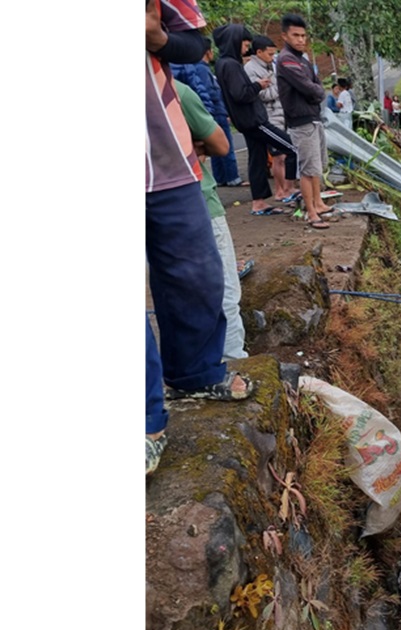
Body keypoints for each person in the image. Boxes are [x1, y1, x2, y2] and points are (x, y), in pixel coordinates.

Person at [146, 0, 253, 475]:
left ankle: (194, 372)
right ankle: (144, 422)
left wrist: (159, 40)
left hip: (167, 156)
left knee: (197, 275)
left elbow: (195, 42)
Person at [175, 80, 248, 361]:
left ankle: (194, 366)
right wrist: (194, 146)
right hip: (199, 201)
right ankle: (231, 361)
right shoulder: (175, 91)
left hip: (154, 211)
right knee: (223, 289)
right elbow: (220, 143)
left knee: (178, 294)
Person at [214, 24, 299, 217]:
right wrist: (258, 85)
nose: (246, 49)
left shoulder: (223, 64)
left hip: (245, 121)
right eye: (244, 45)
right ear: (235, 42)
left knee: (257, 160)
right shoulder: (231, 65)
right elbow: (240, 94)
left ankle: (258, 203)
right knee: (291, 147)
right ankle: (288, 191)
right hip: (255, 120)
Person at [277, 13, 333, 229]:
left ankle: (318, 203)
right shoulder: (286, 59)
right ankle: (311, 212)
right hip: (300, 120)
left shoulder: (302, 59)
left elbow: (317, 85)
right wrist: (316, 92)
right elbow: (310, 88)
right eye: (296, 35)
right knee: (308, 169)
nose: (301, 40)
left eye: (303, 36)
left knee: (317, 165)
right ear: (285, 36)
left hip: (312, 118)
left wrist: (316, 91)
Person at [172, 48, 243, 187]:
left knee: (212, 151)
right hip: (214, 113)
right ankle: (232, 177)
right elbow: (207, 93)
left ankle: (221, 178)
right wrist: (211, 113)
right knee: (223, 146)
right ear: (208, 52)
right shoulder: (199, 69)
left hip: (207, 113)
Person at [245, 35, 298, 203]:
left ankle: (287, 188)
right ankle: (281, 190)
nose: (273, 57)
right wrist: (280, 87)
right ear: (259, 52)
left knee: (283, 154)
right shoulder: (251, 69)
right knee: (279, 156)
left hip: (281, 114)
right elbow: (263, 94)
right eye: (269, 54)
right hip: (268, 116)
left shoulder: (270, 66)